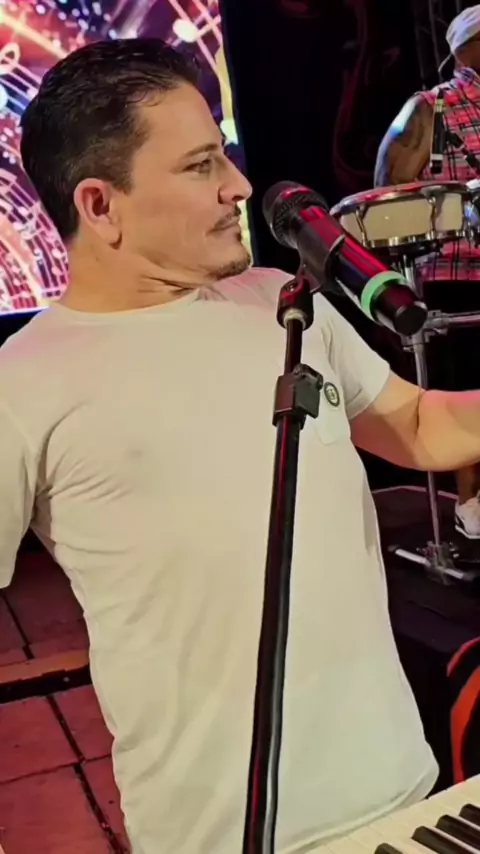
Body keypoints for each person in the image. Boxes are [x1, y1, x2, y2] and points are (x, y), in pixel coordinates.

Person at [5, 36, 480, 854]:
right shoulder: (24, 382)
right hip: (219, 835)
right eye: (200, 167)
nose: (239, 185)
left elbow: (417, 426)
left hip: (400, 793)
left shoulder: (281, 303)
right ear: (100, 205)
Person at [374, 4, 480, 540]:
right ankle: (472, 502)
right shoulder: (432, 107)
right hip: (457, 273)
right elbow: (384, 197)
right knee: (465, 388)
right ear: (469, 48)